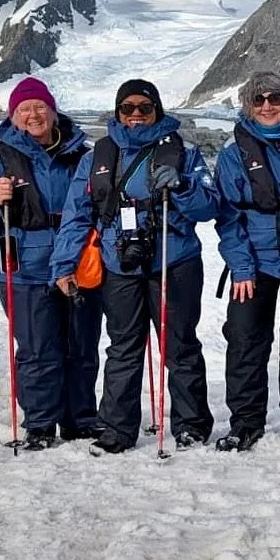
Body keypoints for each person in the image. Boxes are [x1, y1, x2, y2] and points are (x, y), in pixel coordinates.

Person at [51, 79, 220, 455]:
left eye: (145, 107)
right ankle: (116, 429)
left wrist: (183, 187)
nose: (136, 115)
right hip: (119, 264)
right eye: (127, 108)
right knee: (124, 347)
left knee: (180, 346)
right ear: (118, 112)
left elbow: (210, 207)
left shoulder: (184, 152)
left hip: (173, 261)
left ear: (157, 109)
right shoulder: (96, 157)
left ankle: (191, 426)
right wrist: (63, 266)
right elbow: (78, 216)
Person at [0, 77, 103, 450]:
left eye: (40, 107)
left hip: (78, 262)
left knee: (81, 344)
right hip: (24, 267)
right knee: (38, 348)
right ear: (14, 116)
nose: (34, 115)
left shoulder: (84, 155)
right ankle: (40, 423)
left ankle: (80, 420)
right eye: (25, 109)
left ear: (53, 112)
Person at [212, 72, 280, 452]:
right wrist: (240, 266)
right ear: (247, 105)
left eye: (274, 97)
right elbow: (228, 218)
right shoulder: (232, 157)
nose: (267, 106)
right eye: (257, 100)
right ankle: (246, 423)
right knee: (245, 341)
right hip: (254, 263)